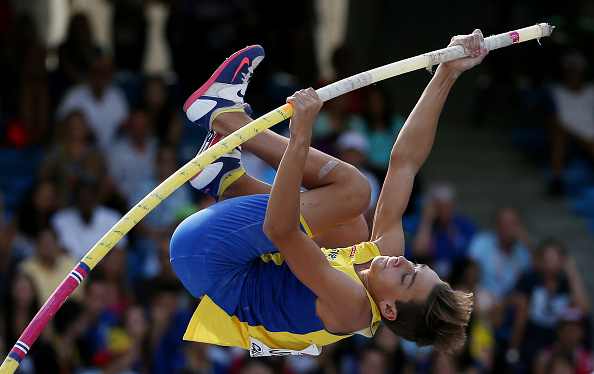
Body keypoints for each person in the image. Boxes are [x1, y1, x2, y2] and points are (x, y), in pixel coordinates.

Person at [171, 30, 489, 356]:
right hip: (231, 259)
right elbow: (404, 162)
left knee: (355, 191)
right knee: (352, 226)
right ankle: (227, 181)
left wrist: (300, 138)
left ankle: (222, 115)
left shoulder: (352, 307)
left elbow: (280, 230)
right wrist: (447, 72)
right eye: (416, 266)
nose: (400, 261)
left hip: (209, 257)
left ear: (389, 309)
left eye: (406, 277)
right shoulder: (384, 265)